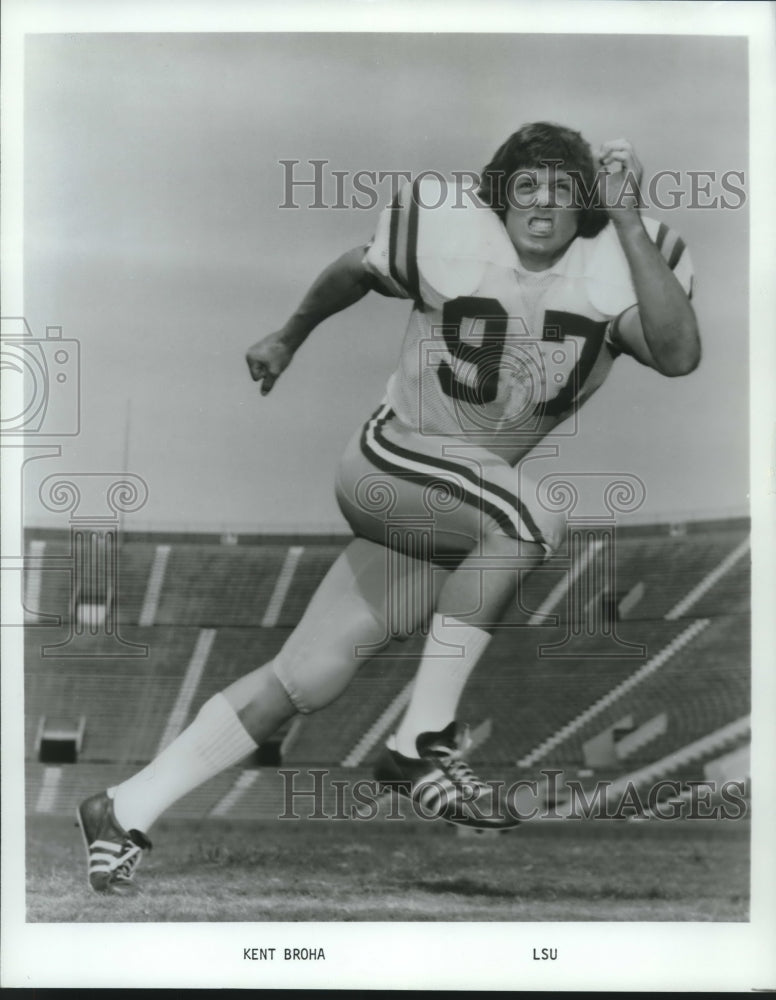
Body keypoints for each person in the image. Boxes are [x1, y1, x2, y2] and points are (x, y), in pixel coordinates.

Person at [77, 122, 699, 893]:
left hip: (454, 509)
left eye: (564, 190)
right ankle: (423, 739)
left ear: (588, 206)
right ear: (499, 199)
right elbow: (356, 269)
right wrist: (288, 335)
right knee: (530, 516)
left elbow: (677, 353)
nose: (543, 204)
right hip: (392, 462)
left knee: (306, 678)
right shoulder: (448, 234)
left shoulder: (618, 264)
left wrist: (631, 220)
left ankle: (122, 806)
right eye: (527, 187)